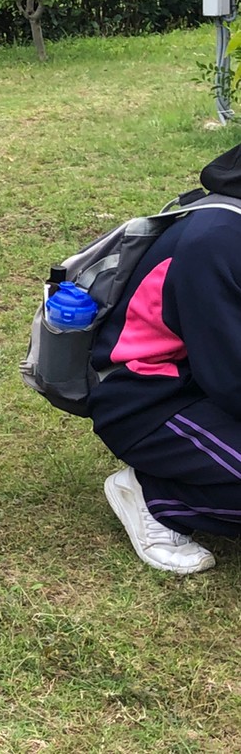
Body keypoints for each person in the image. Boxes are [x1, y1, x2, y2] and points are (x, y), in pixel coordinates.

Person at [90, 144, 241, 574]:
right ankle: (155, 497)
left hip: (207, 383)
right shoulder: (216, 240)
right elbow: (231, 377)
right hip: (149, 399)